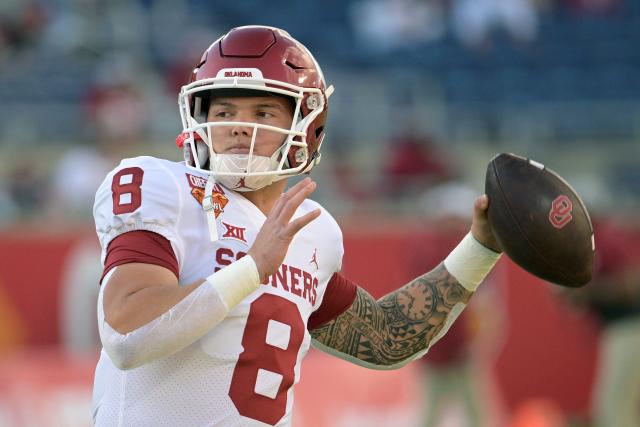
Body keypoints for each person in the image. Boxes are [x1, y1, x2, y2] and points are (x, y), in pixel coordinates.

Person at [91, 25, 502, 427]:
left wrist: (481, 247)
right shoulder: (164, 186)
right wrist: (252, 268)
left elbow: (386, 337)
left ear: (307, 126)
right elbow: (128, 334)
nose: (239, 125)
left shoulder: (312, 231)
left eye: (262, 111)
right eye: (224, 110)